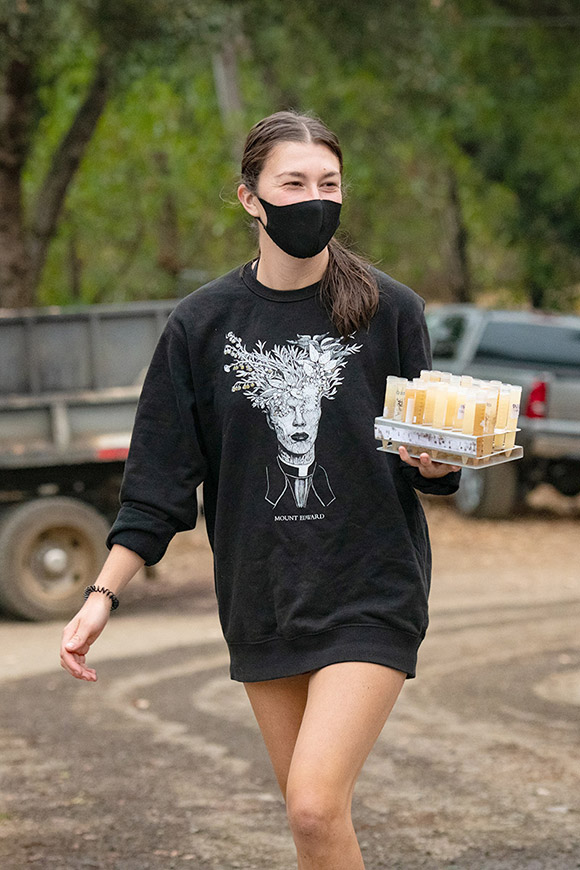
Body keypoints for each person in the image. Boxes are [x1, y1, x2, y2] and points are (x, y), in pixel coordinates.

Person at [61, 110, 461, 870]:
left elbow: (427, 455)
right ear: (250, 197)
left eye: (328, 183)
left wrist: (437, 466)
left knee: (313, 804)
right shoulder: (201, 325)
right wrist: (100, 597)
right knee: (316, 821)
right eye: (293, 183)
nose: (314, 198)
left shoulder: (390, 310)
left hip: (371, 587)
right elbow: (159, 484)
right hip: (263, 596)